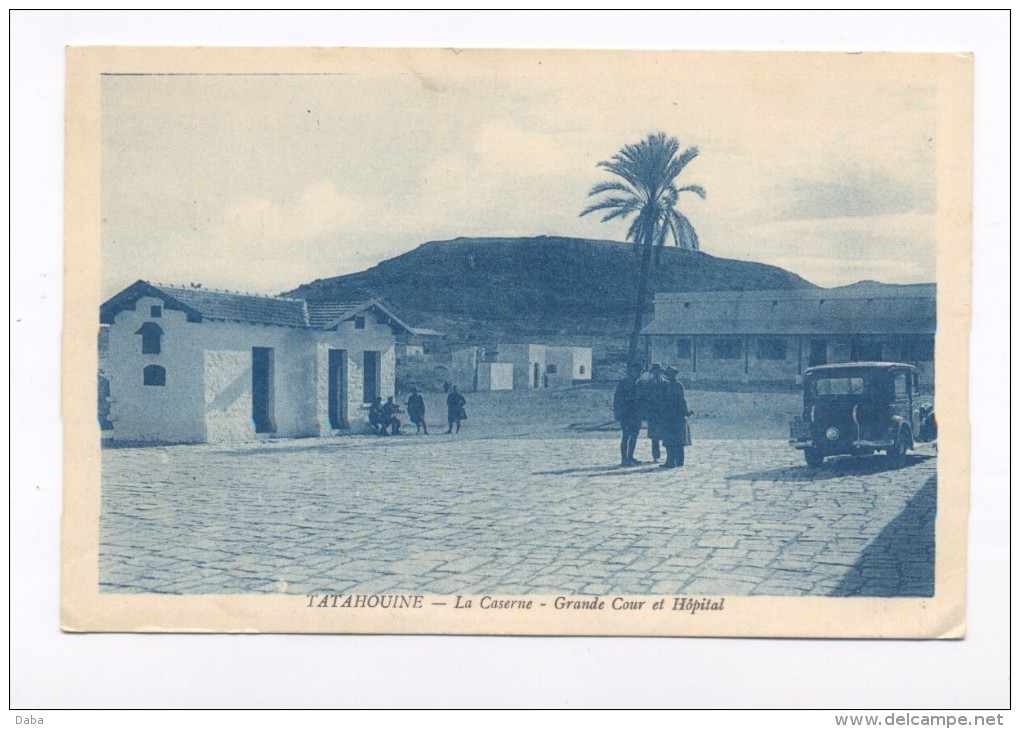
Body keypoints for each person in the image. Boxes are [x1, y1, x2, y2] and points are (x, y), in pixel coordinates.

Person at [659, 366, 692, 469]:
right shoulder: (668, 385)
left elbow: (681, 401)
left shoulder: (677, 386)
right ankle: (674, 461)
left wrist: (685, 413)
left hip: (675, 416)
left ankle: (675, 461)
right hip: (670, 416)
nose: (670, 376)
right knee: (673, 440)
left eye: (672, 374)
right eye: (669, 374)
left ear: (674, 374)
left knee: (675, 440)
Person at [613, 362, 643, 466]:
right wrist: (618, 413)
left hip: (637, 415)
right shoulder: (623, 383)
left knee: (634, 436)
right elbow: (617, 399)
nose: (638, 374)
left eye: (640, 372)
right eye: (636, 371)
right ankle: (624, 459)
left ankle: (630, 457)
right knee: (626, 436)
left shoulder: (640, 384)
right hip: (626, 414)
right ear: (631, 372)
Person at [640, 363, 665, 462]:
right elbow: (645, 398)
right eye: (654, 371)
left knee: (665, 434)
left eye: (658, 371)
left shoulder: (665, 383)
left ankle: (669, 457)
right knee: (655, 437)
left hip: (663, 413)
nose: (656, 373)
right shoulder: (649, 384)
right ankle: (656, 456)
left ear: (661, 372)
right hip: (653, 413)